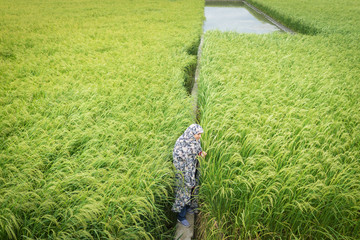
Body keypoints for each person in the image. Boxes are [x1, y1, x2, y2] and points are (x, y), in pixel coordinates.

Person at [172, 124, 207, 227]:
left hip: (192, 169)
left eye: (200, 134)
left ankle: (187, 208)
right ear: (192, 133)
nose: (199, 136)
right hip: (184, 172)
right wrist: (195, 156)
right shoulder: (182, 142)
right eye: (198, 134)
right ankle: (181, 217)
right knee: (183, 192)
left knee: (191, 188)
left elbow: (197, 151)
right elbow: (178, 157)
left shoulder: (195, 140)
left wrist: (200, 154)